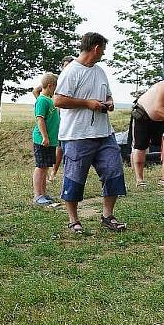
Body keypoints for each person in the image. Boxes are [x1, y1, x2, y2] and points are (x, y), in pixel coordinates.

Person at [53, 32, 127, 234]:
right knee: (75, 177)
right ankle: (73, 220)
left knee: (113, 172)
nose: (103, 53)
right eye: (103, 49)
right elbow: (58, 100)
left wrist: (109, 102)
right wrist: (87, 104)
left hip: (104, 133)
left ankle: (107, 216)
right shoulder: (71, 71)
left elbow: (108, 93)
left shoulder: (100, 71)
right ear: (96, 48)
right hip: (77, 135)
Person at [32, 56, 74, 181]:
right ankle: (41, 191)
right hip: (46, 134)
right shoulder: (48, 93)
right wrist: (43, 104)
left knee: (46, 164)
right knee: (42, 165)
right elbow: (40, 117)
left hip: (56, 130)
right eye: (65, 65)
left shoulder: (73, 78)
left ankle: (44, 191)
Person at [31, 73, 60, 205]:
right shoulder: (42, 100)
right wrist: (45, 136)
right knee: (40, 167)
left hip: (51, 141)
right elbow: (40, 119)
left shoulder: (48, 99)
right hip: (42, 140)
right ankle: (37, 195)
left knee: (45, 167)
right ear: (50, 86)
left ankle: (43, 193)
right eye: (55, 87)